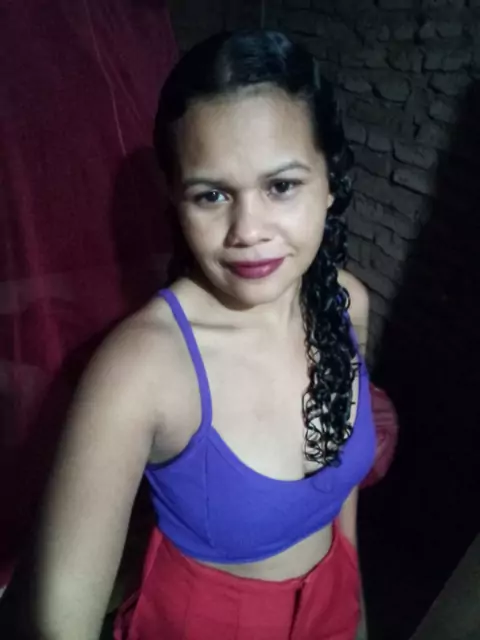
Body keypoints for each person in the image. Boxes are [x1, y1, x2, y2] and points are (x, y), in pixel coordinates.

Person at [31, 30, 376, 640]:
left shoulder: (346, 305)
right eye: (212, 195)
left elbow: (341, 493)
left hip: (332, 603)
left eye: (281, 186)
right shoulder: (141, 369)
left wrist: (355, 613)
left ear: (330, 182)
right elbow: (60, 622)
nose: (248, 231)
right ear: (177, 200)